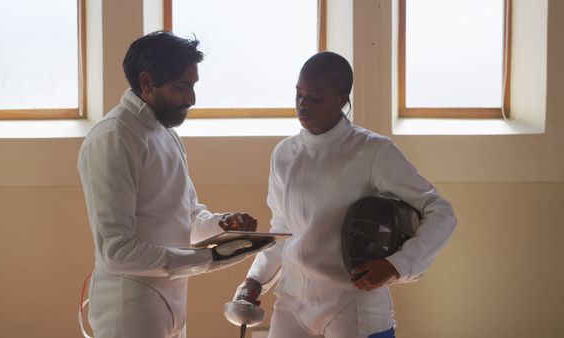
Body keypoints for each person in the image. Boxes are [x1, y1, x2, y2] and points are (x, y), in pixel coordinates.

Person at [231, 51, 457, 338]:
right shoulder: (285, 154)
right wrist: (254, 281)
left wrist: (395, 265)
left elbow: (441, 212)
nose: (303, 104)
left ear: (342, 100)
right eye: (299, 94)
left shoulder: (373, 151)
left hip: (352, 304)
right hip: (293, 303)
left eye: (315, 97)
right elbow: (283, 232)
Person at [78, 31, 271, 338]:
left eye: (193, 86)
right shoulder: (113, 138)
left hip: (172, 300)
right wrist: (211, 259)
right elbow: (116, 251)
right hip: (130, 306)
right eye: (182, 87)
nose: (191, 99)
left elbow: (189, 217)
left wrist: (223, 225)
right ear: (146, 83)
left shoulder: (166, 133)